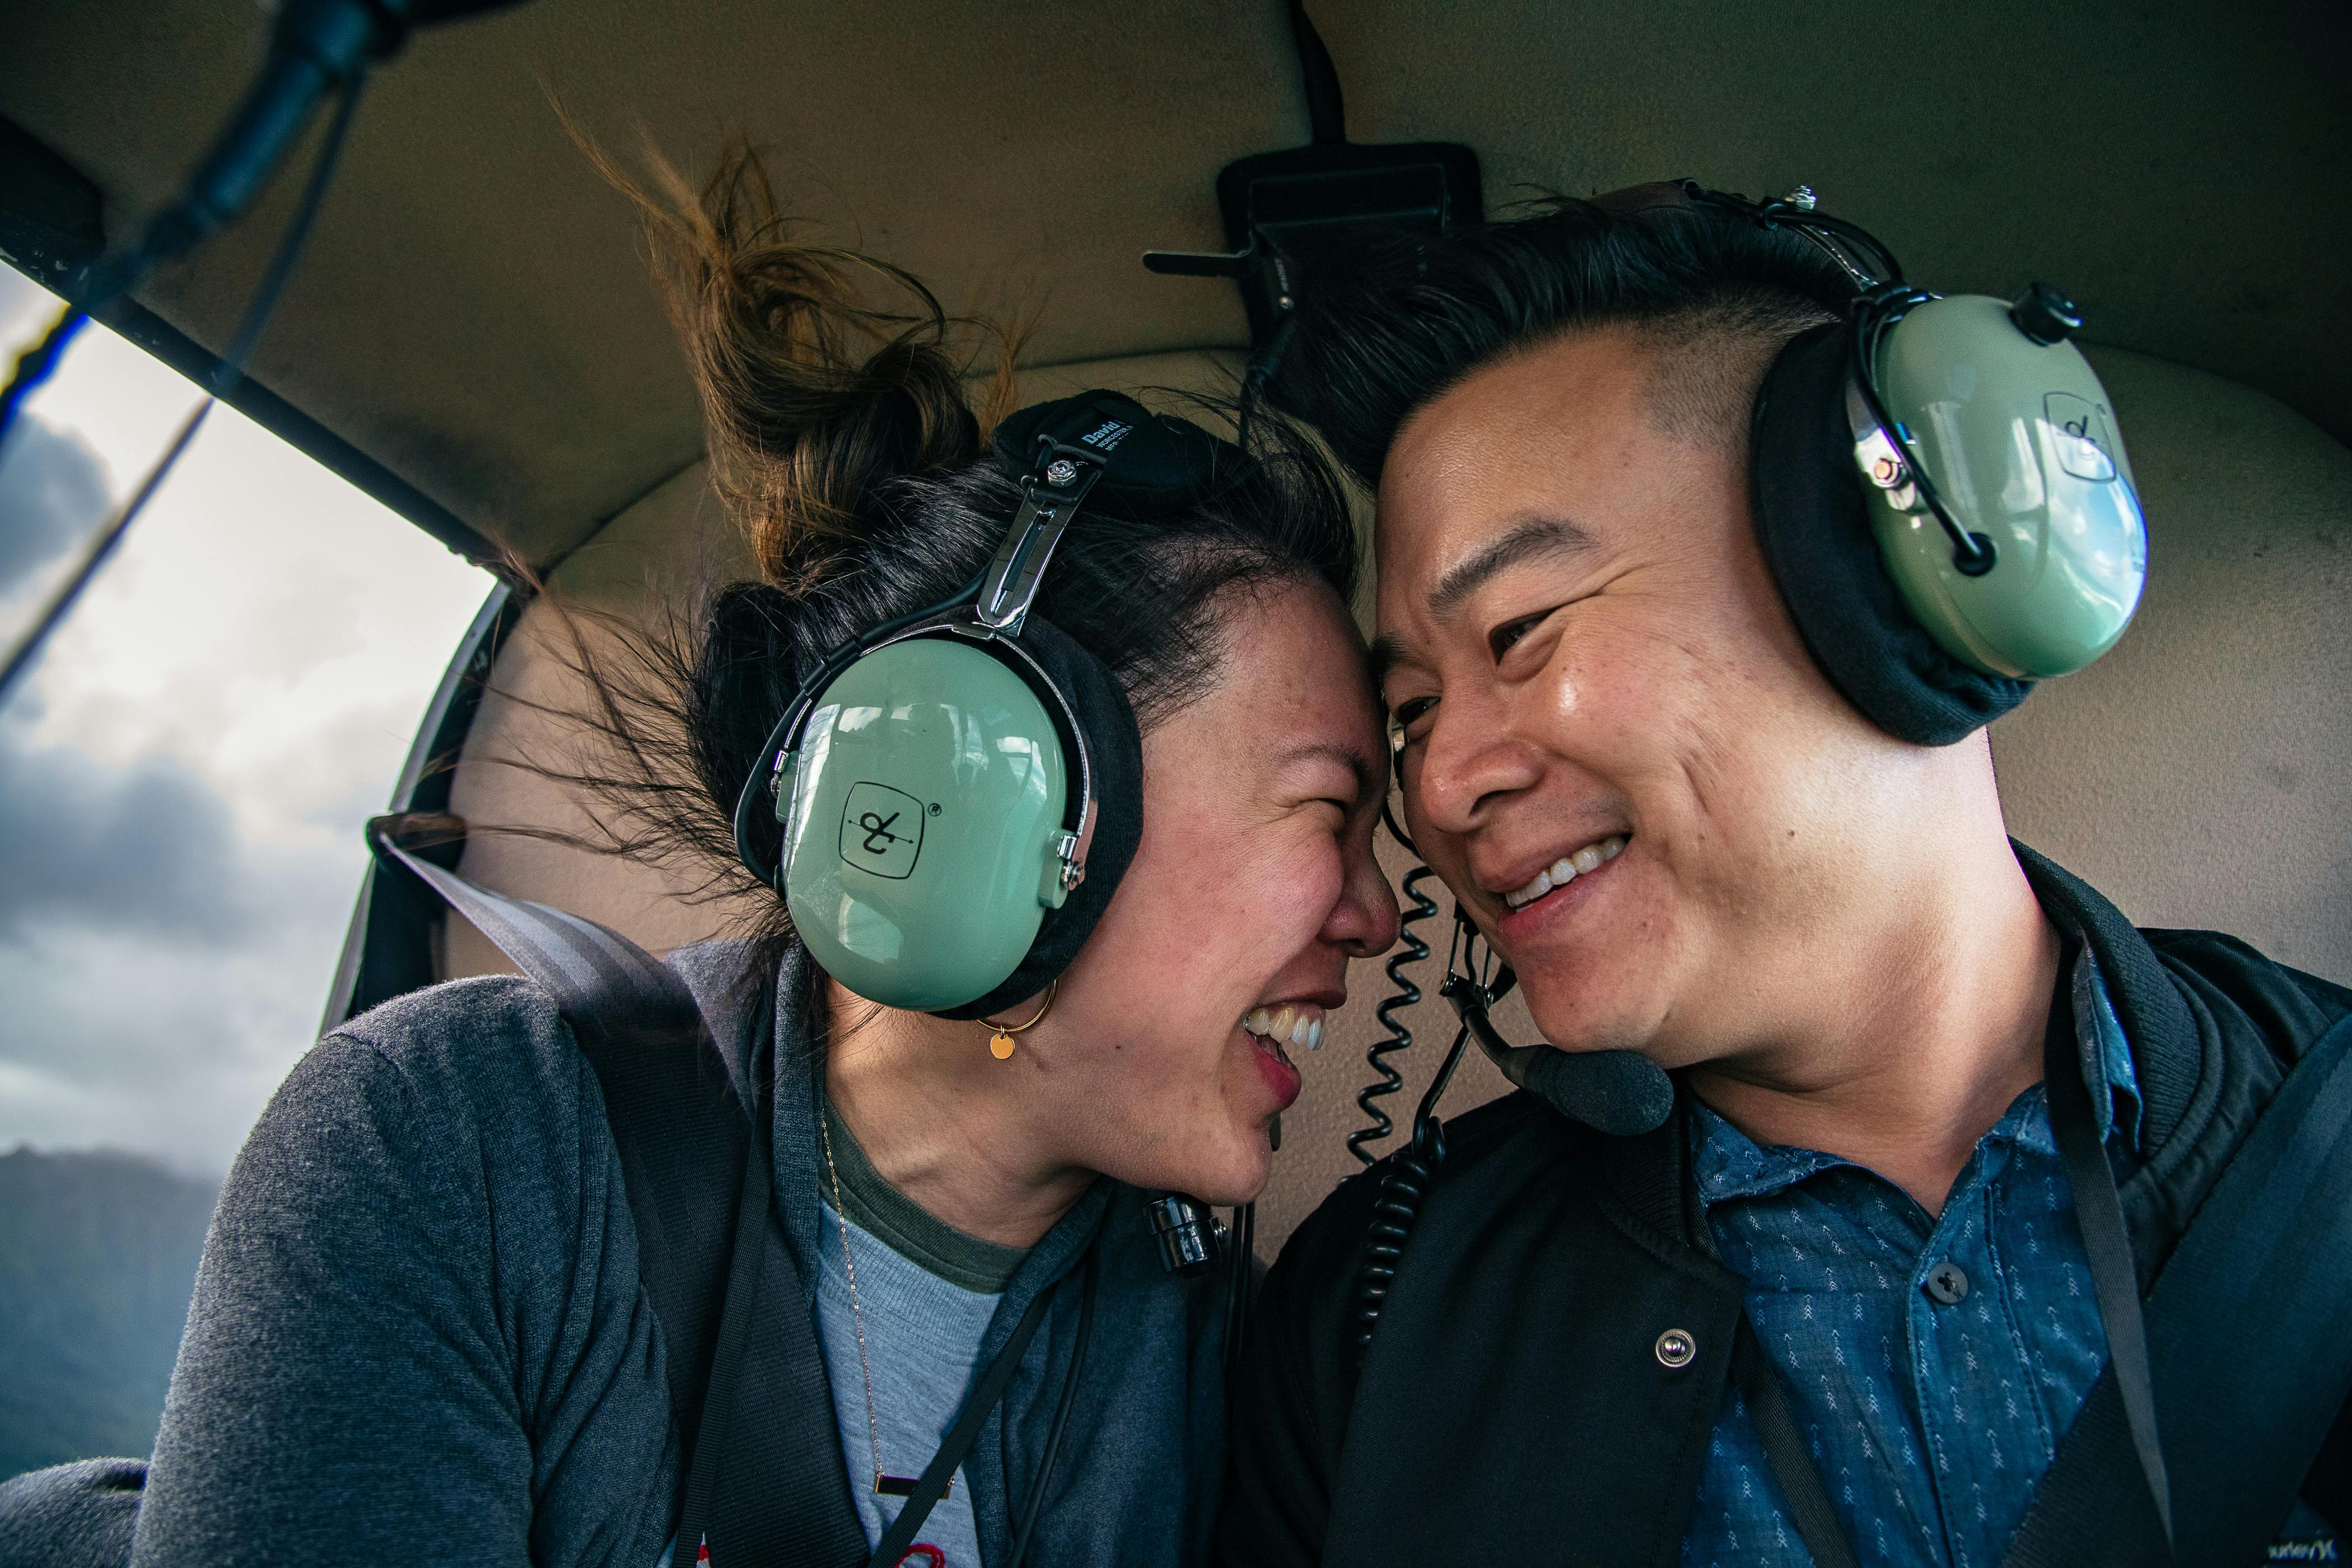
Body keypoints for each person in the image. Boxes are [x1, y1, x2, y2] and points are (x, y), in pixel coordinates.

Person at [0, 146, 1398, 1568]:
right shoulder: (466, 1152)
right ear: (1019, 800)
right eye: (1328, 810)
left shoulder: (1223, 1354)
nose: (1379, 912)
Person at [1215, 186, 2352, 1565]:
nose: (1441, 786)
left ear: (1881, 577)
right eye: (1408, 716)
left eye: (1519, 631)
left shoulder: (2324, 1151)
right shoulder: (1374, 1316)